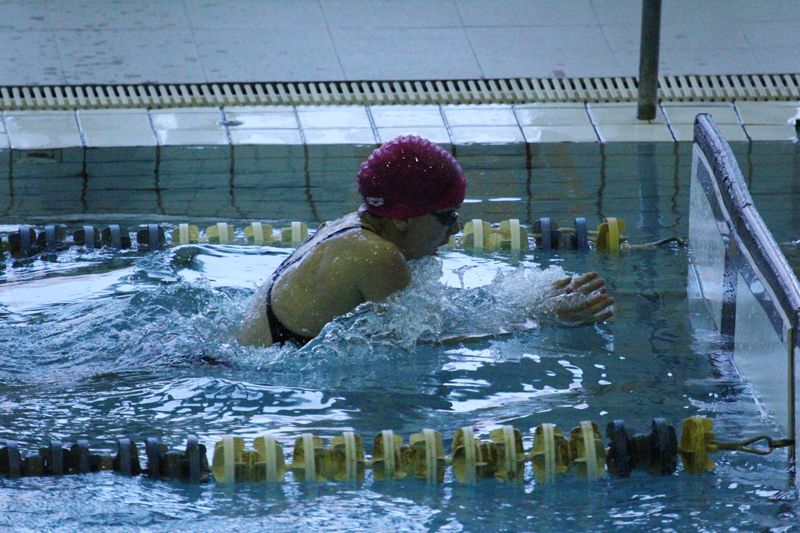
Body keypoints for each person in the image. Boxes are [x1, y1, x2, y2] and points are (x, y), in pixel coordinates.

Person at [239, 135, 613, 347]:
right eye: (446, 217)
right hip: (267, 373)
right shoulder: (378, 257)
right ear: (402, 219)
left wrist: (527, 303)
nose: (456, 229)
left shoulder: (352, 226)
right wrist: (540, 320)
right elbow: (423, 346)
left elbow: (431, 318)